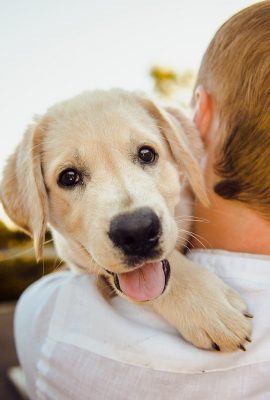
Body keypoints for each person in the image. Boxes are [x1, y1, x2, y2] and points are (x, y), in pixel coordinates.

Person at [14, 2, 270, 399]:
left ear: (185, 146)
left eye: (145, 155)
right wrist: (175, 282)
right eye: (71, 177)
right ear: (36, 201)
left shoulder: (46, 318)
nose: (130, 215)